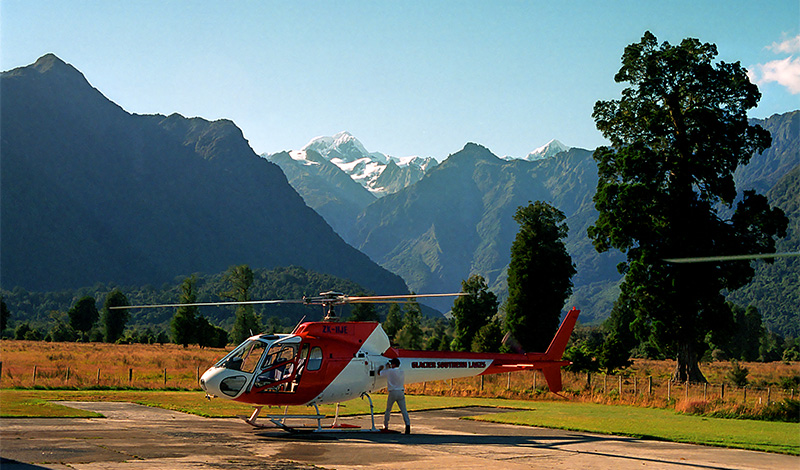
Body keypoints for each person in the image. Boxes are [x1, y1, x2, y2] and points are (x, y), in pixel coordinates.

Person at [377, 357, 410, 434]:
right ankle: (407, 425)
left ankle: (386, 425)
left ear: (394, 364)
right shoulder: (402, 371)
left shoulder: (389, 371)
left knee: (388, 410)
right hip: (401, 391)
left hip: (393, 392)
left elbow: (379, 373)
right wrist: (389, 368)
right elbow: (393, 372)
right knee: (404, 410)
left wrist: (381, 368)